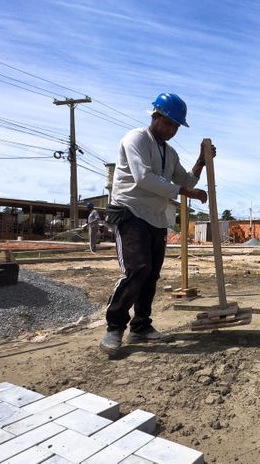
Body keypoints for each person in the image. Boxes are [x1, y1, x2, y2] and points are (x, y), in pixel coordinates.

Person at [100, 92, 211, 355]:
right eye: (169, 123)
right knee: (137, 269)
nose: (172, 130)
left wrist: (201, 162)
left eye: (176, 126)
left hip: (155, 218)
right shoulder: (136, 139)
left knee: (151, 274)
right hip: (130, 212)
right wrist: (184, 192)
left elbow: (187, 180)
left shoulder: (169, 153)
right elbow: (143, 178)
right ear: (156, 116)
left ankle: (140, 326)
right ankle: (114, 328)